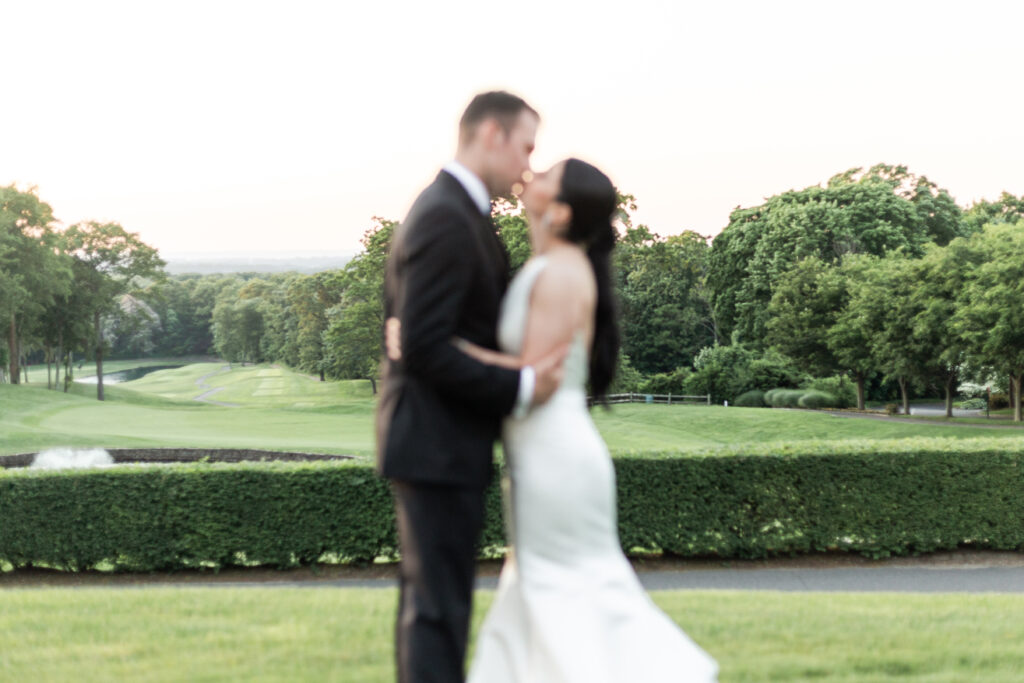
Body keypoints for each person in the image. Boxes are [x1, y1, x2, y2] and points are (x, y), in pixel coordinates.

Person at [458, 159, 720, 682]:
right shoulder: (552, 263)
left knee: (563, 590)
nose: (529, 173)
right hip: (540, 455)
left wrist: (443, 350)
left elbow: (532, 379)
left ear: (558, 212)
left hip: (554, 458)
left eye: (545, 176)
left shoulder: (559, 271)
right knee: (544, 586)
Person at [376, 91, 566, 683]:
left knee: (435, 606)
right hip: (435, 442)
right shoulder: (445, 215)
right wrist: (523, 384)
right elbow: (427, 346)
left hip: (441, 441)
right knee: (439, 610)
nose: (529, 164)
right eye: (526, 146)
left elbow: (421, 332)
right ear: (491, 134)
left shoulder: (458, 211)